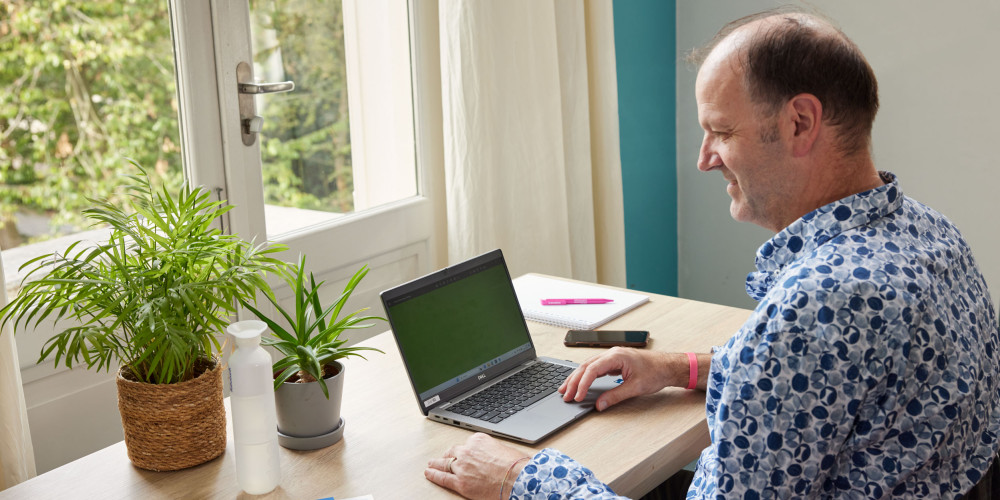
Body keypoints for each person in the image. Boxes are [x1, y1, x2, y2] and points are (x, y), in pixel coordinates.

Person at [425, 8, 1000, 499]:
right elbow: (838, 386)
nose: (705, 158)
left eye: (721, 131)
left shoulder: (819, 303)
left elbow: (810, 349)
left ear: (800, 123)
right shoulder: (929, 233)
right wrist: (682, 368)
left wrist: (521, 477)